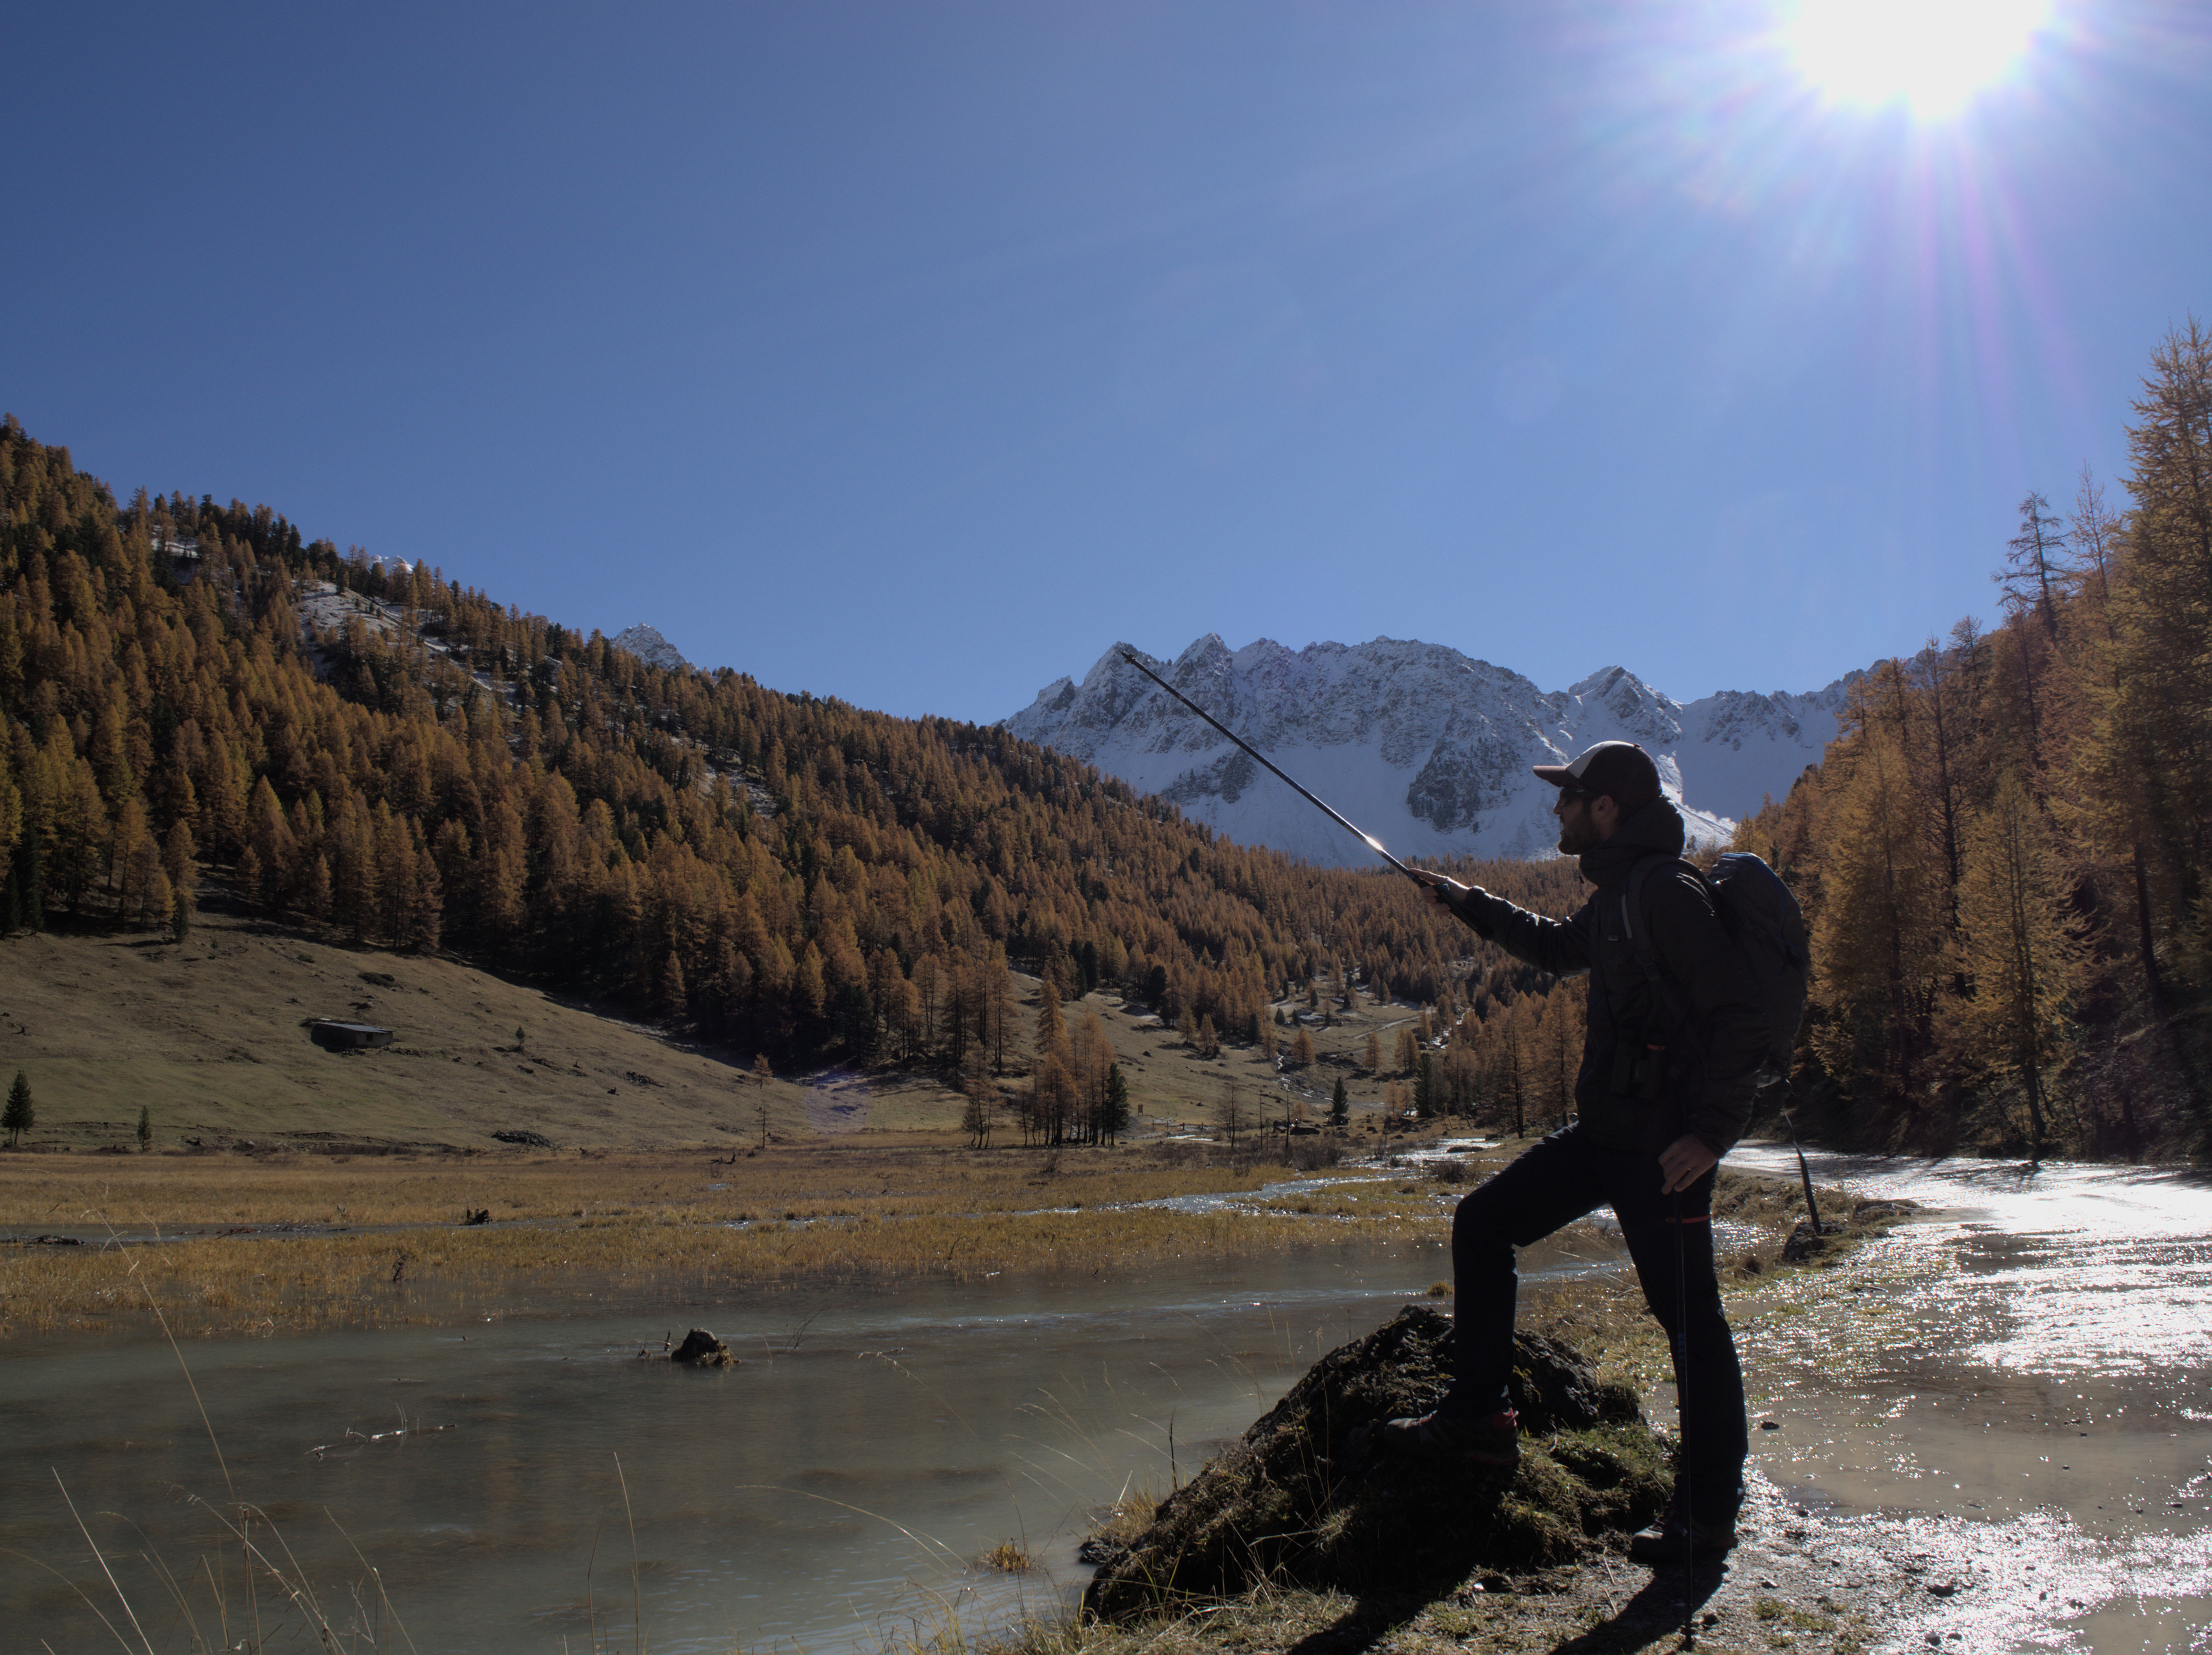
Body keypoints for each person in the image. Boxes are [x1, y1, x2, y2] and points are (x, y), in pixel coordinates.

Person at [1388, 739, 1766, 1565]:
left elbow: (1740, 1014)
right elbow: (1558, 949)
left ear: (1607, 810)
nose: (1555, 811)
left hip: (1663, 1152)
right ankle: (1481, 1422)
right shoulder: (1624, 891)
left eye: (1568, 799)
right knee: (1483, 1225)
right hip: (1604, 1137)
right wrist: (1461, 899)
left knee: (1690, 1324)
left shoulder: (1663, 892)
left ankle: (1708, 1514)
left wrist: (1710, 1136)